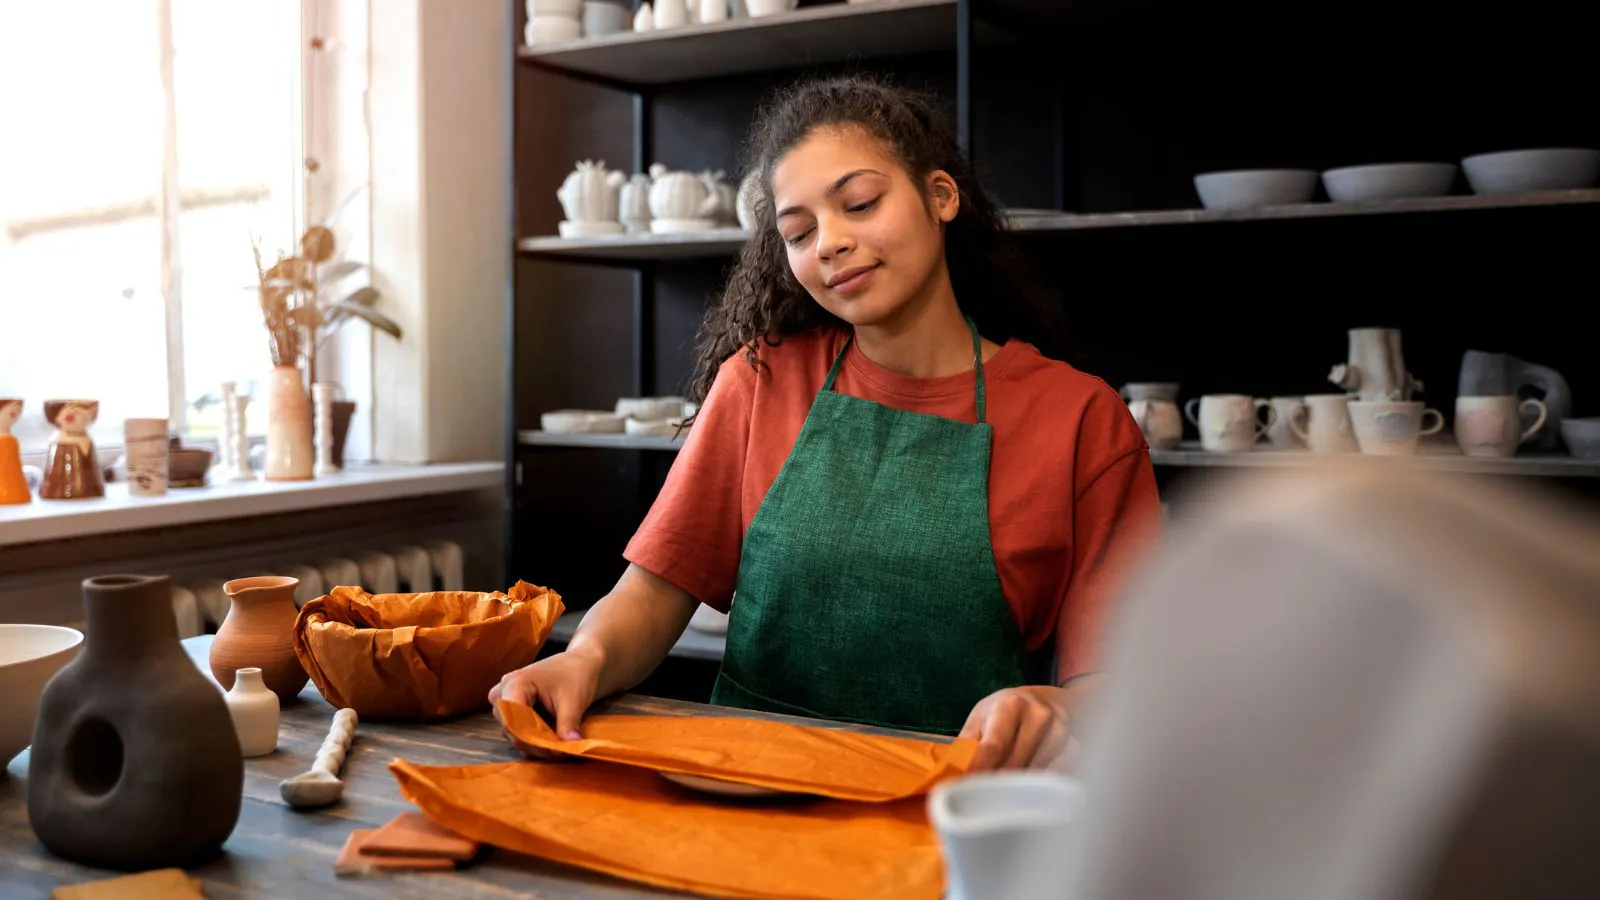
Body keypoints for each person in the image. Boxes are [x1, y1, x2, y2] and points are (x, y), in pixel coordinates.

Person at [492, 74, 1162, 771]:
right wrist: (584, 661)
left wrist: (1054, 709)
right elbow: (654, 594)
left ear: (941, 196)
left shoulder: (1082, 420)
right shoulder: (760, 380)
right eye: (800, 231)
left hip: (951, 800)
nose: (830, 243)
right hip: (749, 785)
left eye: (861, 203)